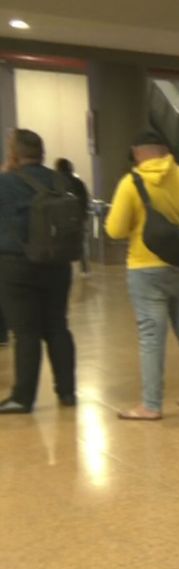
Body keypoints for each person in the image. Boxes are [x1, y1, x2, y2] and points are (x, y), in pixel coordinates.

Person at [105, 130, 179, 420]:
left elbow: (114, 230)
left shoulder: (131, 183)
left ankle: (151, 405)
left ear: (138, 152)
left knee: (151, 336)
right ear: (165, 150)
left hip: (146, 268)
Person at [0, 129, 78, 414]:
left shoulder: (5, 182)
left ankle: (23, 397)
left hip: (15, 265)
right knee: (58, 325)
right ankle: (67, 392)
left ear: (14, 153)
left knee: (26, 331)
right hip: (57, 263)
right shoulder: (61, 180)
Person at [54, 158, 91, 276]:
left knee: (60, 244)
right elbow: (85, 200)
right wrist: (84, 215)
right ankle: (84, 269)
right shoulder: (78, 182)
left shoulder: (55, 182)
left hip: (61, 220)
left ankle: (63, 270)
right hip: (78, 218)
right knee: (80, 244)